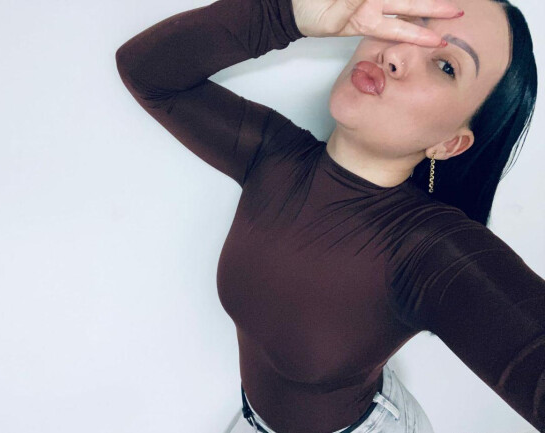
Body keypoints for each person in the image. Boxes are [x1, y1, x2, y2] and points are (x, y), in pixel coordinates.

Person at [115, 0, 545, 431]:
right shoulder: (273, 154)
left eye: (446, 66)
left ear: (449, 144)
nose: (395, 54)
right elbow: (147, 73)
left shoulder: (429, 250)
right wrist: (284, 13)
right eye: (409, 26)